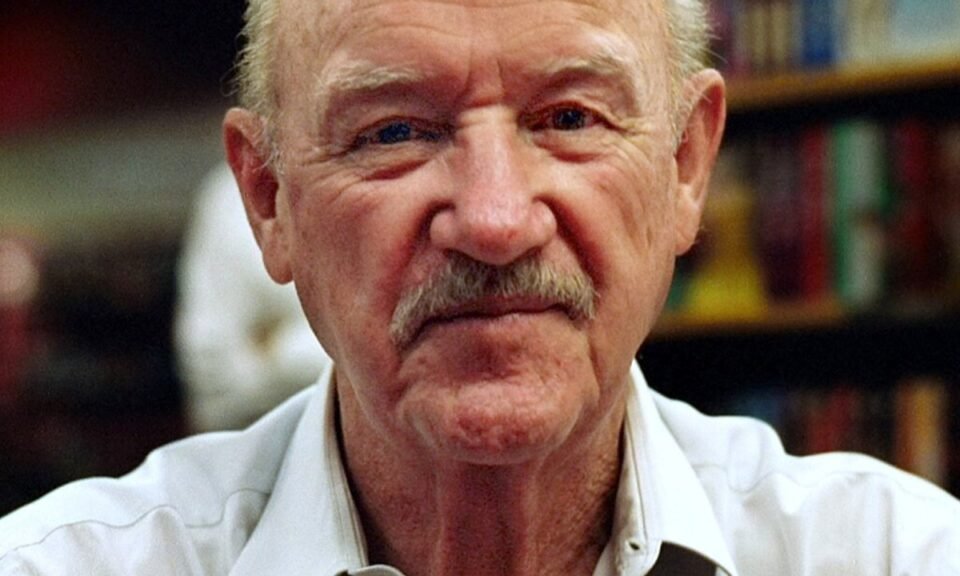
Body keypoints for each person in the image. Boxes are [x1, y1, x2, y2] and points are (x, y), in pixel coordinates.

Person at [1, 0, 959, 574]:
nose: (496, 221)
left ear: (685, 168)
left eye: (570, 118)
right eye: (393, 132)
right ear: (268, 199)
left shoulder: (896, 555)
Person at [175, 163, 330, 431]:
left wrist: (277, 345)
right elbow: (213, 374)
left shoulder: (378, 180)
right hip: (260, 439)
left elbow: (385, 355)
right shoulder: (228, 197)